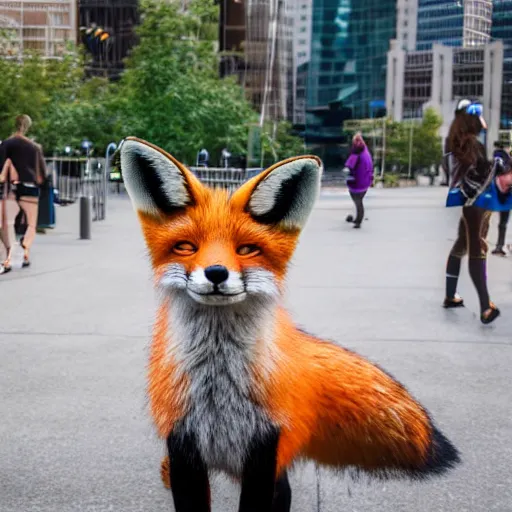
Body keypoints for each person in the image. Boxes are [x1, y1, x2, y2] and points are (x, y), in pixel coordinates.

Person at [443, 100, 505, 324]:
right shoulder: (470, 144)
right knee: (475, 246)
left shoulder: (456, 141)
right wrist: (497, 164)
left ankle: (450, 295)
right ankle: (485, 307)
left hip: (470, 200)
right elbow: (478, 175)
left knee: (462, 243)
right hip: (476, 201)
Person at [0, 115, 47, 273]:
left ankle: (7, 258)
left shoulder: (6, 144)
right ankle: (25, 251)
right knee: (31, 224)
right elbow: (42, 174)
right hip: (30, 187)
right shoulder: (34, 147)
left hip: (11, 188)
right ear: (28, 126)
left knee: (8, 224)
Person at [343, 133, 374, 228]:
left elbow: (349, 166)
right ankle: (357, 219)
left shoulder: (357, 152)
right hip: (366, 181)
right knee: (358, 201)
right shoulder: (365, 151)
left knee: (358, 201)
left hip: (358, 182)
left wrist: (347, 170)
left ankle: (358, 221)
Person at [491, 141, 512, 256]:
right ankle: (500, 246)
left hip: (502, 193)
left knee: (502, 222)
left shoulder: (496, 160)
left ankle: (499, 246)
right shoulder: (508, 160)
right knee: (503, 222)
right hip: (508, 192)